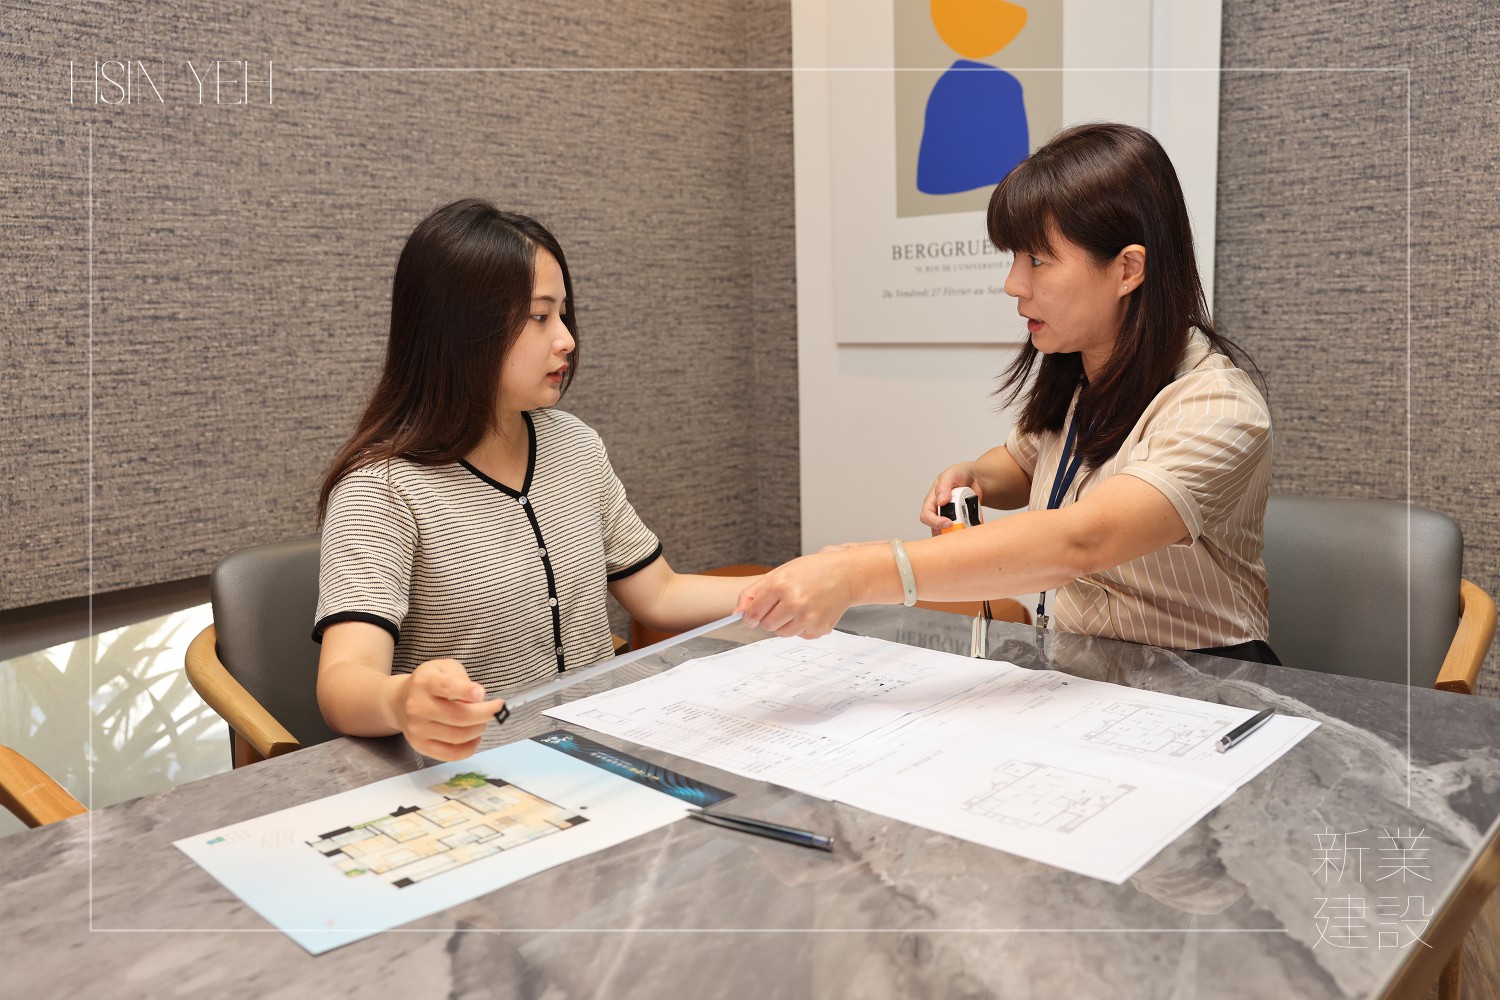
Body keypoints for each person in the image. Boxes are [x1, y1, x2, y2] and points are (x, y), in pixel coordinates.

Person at [737, 123, 1277, 664]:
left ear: (1127, 269)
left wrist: (860, 573)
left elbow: (1084, 541)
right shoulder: (1082, 371)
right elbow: (1027, 461)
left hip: (1203, 682)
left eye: (1037, 260)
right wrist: (976, 475)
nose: (1013, 284)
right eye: (1016, 257)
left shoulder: (1219, 409)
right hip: (1086, 669)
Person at [314, 199, 755, 761]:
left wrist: (799, 583)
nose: (566, 338)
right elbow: (343, 682)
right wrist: (401, 699)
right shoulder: (382, 489)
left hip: (604, 750)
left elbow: (660, 593)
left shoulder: (573, 444)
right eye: (540, 316)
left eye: (563, 314)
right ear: (463, 329)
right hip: (481, 771)